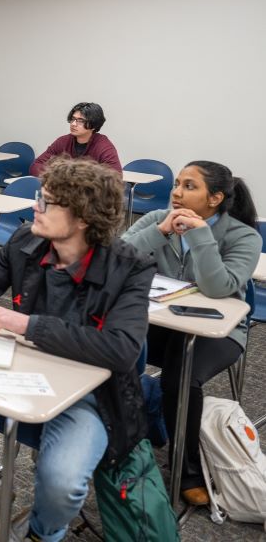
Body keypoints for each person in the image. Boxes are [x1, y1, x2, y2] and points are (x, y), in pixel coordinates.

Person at [0, 158, 154, 542]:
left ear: (83, 218)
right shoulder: (28, 240)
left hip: (89, 397)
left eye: (47, 202)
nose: (35, 206)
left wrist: (26, 324)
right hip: (20, 374)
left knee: (62, 483)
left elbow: (121, 350)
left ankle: (41, 532)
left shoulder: (129, 267)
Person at [123, 160, 260, 506]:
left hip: (219, 332)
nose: (176, 193)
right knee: (114, 350)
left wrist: (200, 235)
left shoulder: (243, 235)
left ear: (215, 198)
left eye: (189, 186)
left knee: (179, 376)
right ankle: (131, 437)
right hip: (161, 322)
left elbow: (219, 287)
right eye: (177, 184)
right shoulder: (158, 219)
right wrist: (161, 232)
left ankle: (187, 470)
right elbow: (117, 258)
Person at [29, 102, 121, 176]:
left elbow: (116, 176)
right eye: (73, 119)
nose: (73, 124)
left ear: (94, 125)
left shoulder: (103, 146)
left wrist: (79, 180)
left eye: (80, 121)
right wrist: (59, 176)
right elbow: (36, 166)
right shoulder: (63, 141)